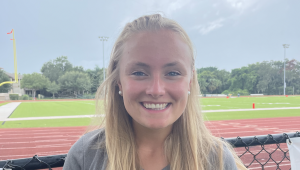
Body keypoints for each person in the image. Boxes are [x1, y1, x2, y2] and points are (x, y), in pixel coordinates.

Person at [63, 14, 247, 170]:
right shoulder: (85, 157)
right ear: (119, 81)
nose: (156, 90)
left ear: (190, 81)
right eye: (139, 73)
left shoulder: (217, 160)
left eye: (173, 73)